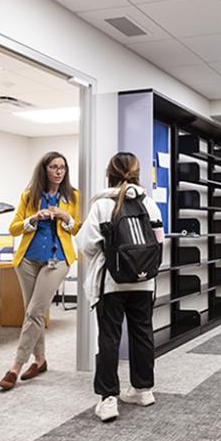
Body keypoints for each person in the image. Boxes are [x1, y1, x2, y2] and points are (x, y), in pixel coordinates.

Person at [76, 152, 164, 422]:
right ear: (137, 174)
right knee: (142, 334)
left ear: (109, 173)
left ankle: (109, 399)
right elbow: (160, 242)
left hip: (112, 284)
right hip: (144, 282)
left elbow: (86, 245)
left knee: (109, 338)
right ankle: (143, 389)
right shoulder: (149, 203)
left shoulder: (103, 205)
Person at [0, 152, 80, 390]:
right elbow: (14, 229)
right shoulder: (30, 196)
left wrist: (66, 218)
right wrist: (33, 219)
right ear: (44, 169)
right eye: (54, 167)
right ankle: (41, 360)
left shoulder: (73, 197)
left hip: (58, 259)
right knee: (32, 312)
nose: (59, 171)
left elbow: (79, 230)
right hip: (27, 260)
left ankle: (16, 366)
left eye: (62, 167)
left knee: (34, 311)